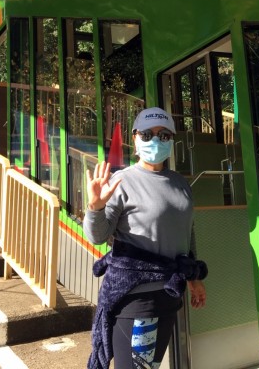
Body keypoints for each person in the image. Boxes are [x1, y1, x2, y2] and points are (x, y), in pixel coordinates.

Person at [84, 107, 207, 369]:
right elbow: (99, 236)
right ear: (135, 139)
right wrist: (95, 207)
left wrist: (195, 279)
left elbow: (187, 233)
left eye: (164, 135)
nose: (155, 140)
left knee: (150, 366)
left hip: (170, 296)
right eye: (147, 134)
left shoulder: (180, 183)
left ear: (172, 140)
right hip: (138, 301)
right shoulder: (122, 181)